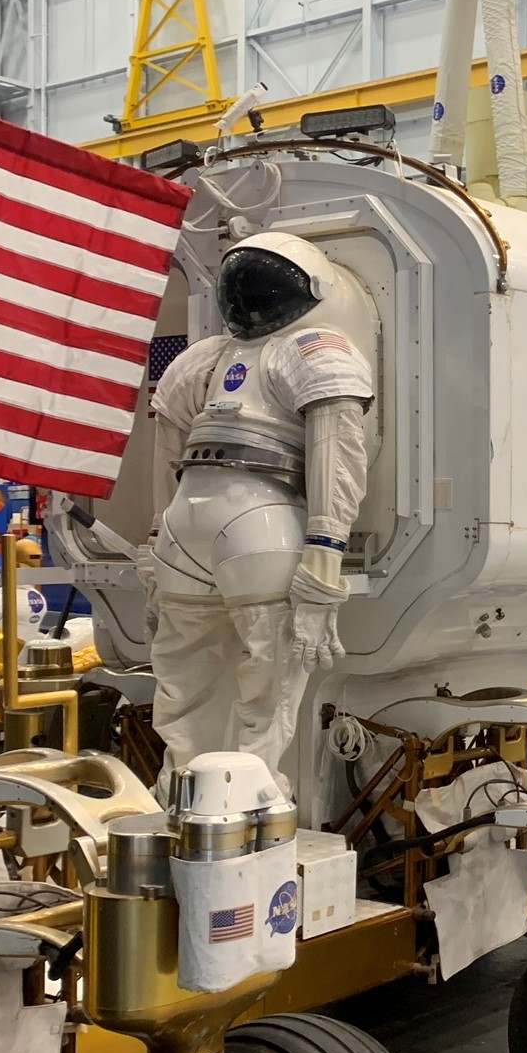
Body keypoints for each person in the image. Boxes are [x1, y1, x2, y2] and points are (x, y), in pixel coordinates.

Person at [148, 233, 375, 794]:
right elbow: (337, 455)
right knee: (266, 692)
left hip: (183, 523)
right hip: (260, 517)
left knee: (184, 688)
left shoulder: (202, 359)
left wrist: (155, 542)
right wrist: (324, 561)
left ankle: (183, 804)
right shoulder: (316, 349)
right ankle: (244, 812)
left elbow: (166, 445)